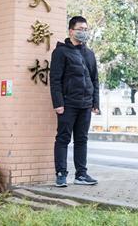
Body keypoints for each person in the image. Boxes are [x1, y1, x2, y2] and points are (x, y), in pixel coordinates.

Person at [50, 16, 100, 187]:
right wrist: (58, 103)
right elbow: (55, 79)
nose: (83, 32)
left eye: (85, 29)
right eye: (80, 29)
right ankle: (61, 174)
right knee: (63, 138)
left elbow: (95, 80)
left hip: (86, 105)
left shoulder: (89, 54)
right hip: (68, 104)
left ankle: (81, 175)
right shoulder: (61, 52)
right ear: (71, 31)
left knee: (82, 140)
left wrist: (96, 103)